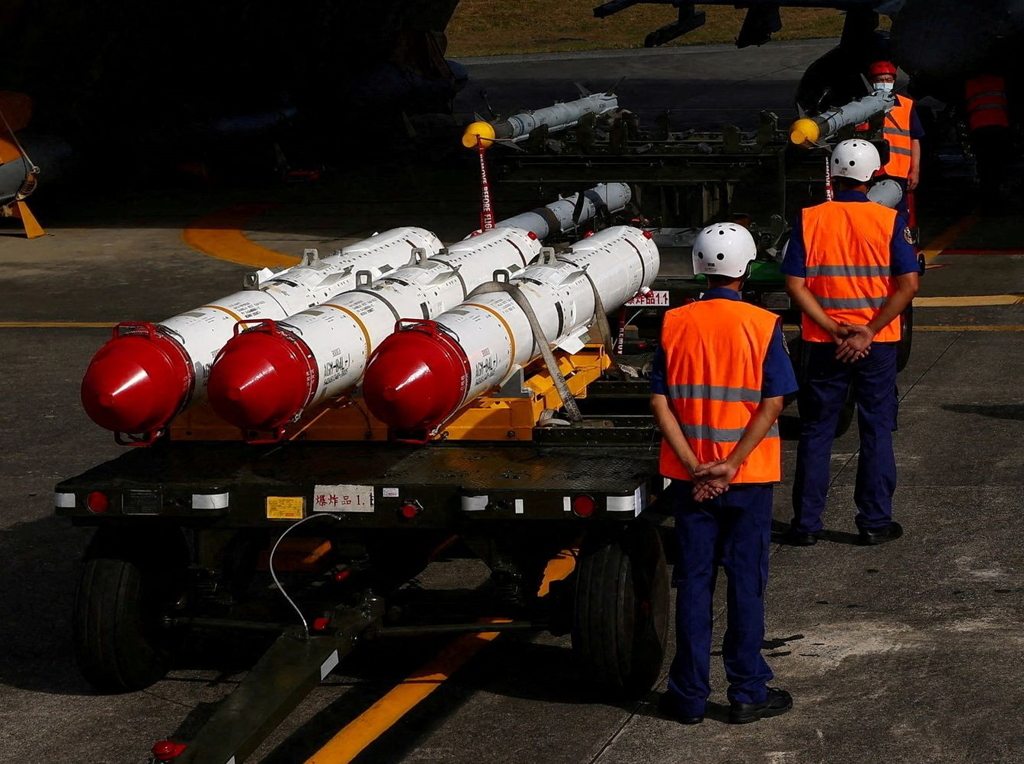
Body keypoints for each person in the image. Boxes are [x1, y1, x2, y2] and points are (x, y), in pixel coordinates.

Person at [651, 223, 798, 725]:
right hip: (748, 478)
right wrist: (732, 464)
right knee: (746, 585)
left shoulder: (674, 324)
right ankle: (747, 693)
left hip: (691, 481)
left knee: (694, 584)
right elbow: (773, 401)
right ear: (748, 268)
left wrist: (696, 466)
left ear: (697, 267)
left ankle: (689, 697)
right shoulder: (763, 325)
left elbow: (660, 401)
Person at [782, 139, 920, 547]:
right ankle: (874, 522)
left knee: (817, 431)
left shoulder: (809, 219)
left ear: (834, 175)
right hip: (876, 346)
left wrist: (832, 327)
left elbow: (795, 285)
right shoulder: (888, 220)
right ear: (874, 175)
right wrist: (868, 330)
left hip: (825, 343)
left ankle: (806, 524)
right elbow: (908, 285)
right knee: (876, 430)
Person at [865, 60, 924, 221]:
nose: (884, 84)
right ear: (872, 82)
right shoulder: (862, 107)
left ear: (894, 81)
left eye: (888, 80)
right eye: (880, 80)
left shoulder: (907, 105)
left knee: (900, 215)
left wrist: (915, 170)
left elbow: (915, 139)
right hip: (871, 171)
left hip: (899, 170)